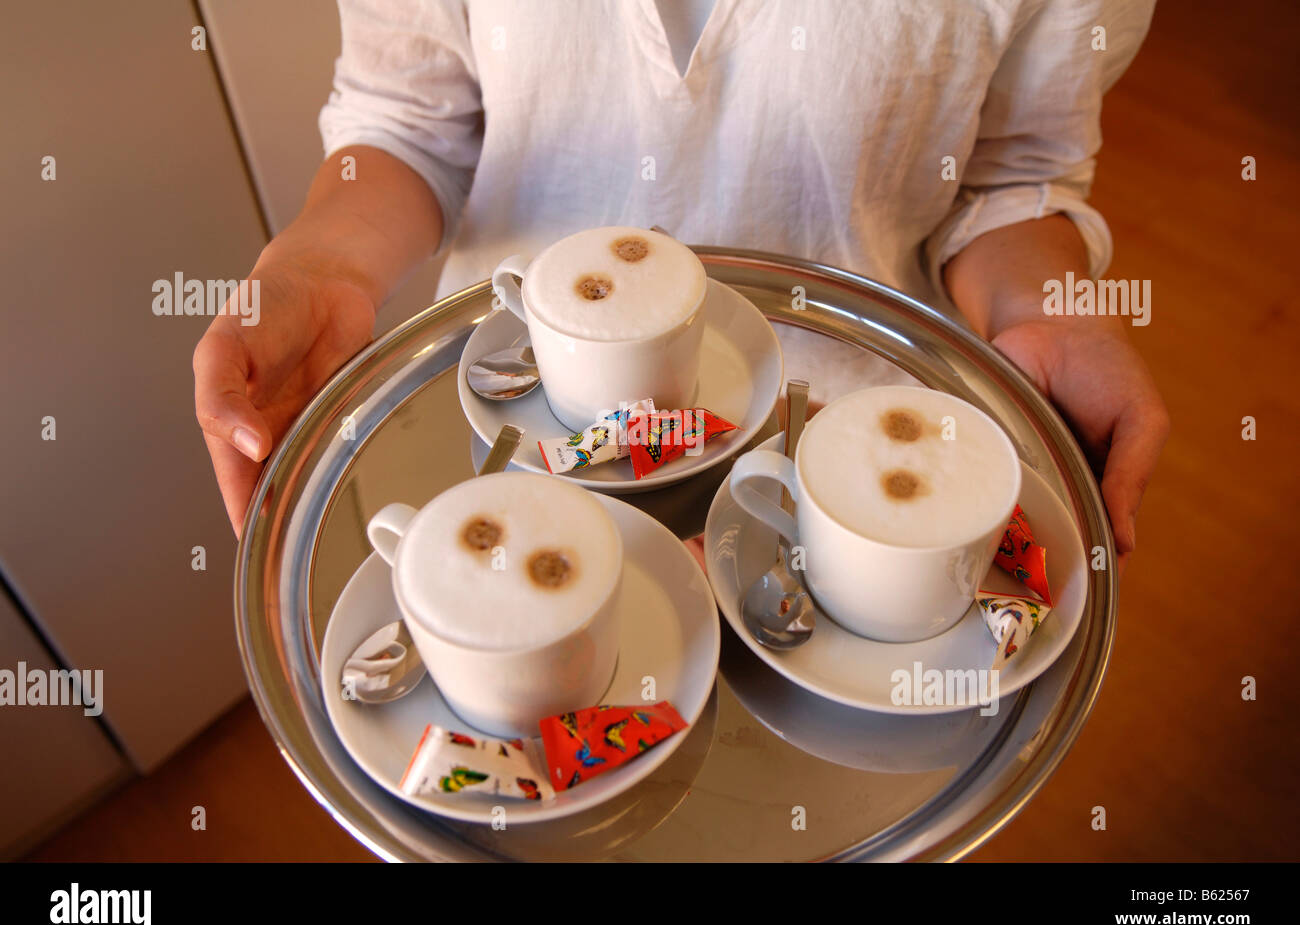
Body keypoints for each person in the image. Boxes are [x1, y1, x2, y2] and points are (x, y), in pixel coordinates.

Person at [194, 0, 1168, 573]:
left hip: (845, 472)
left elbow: (1008, 173)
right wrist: (314, 268)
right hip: (529, 429)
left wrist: (1045, 311)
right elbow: (410, 118)